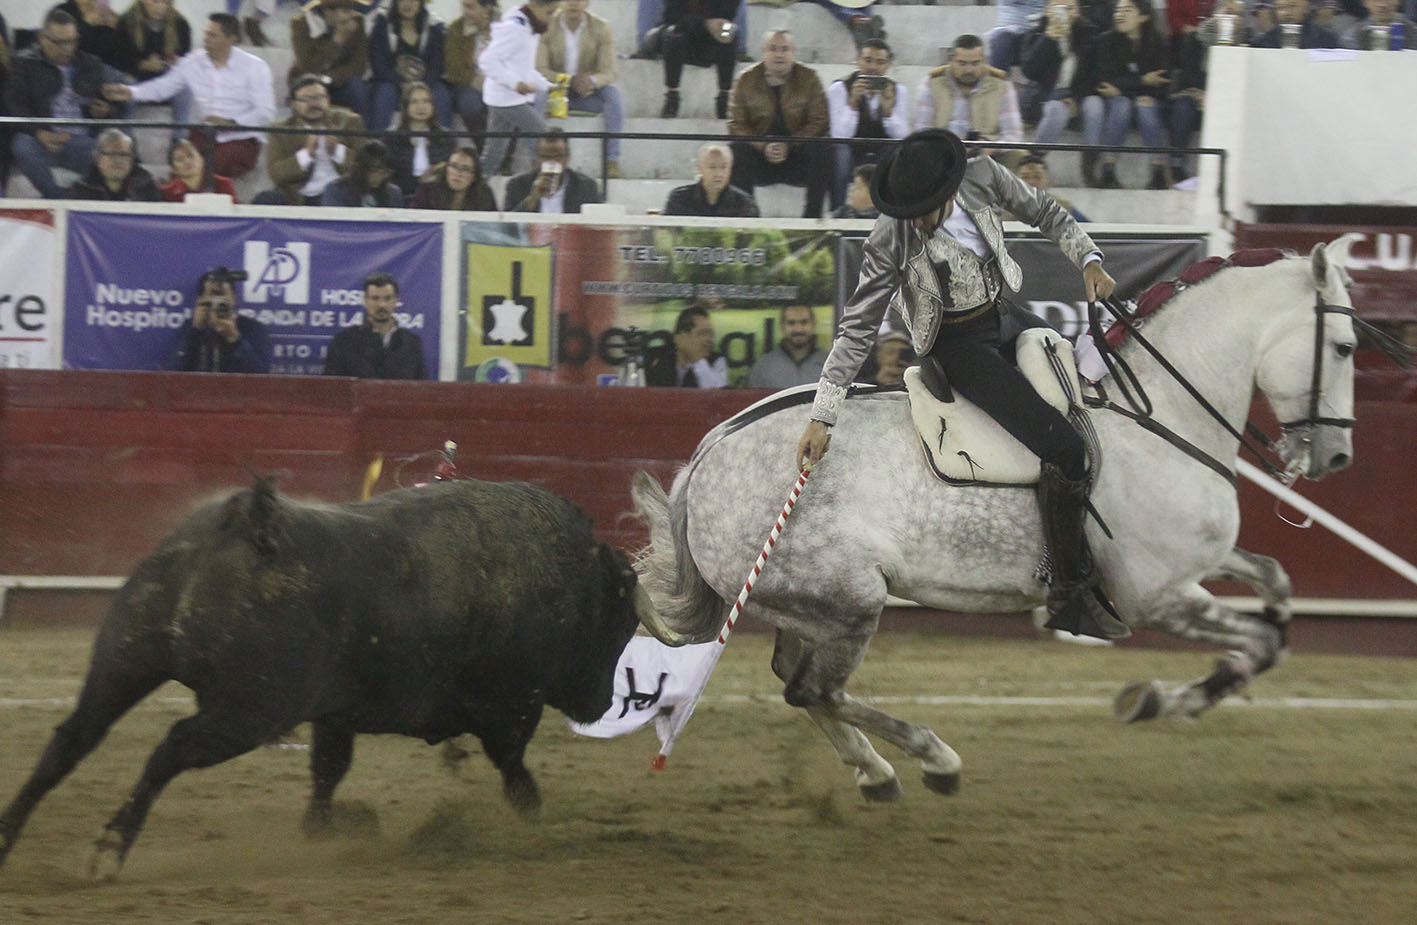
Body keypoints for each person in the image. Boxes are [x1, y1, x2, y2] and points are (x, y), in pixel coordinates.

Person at [795, 128, 1126, 641]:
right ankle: (1069, 589)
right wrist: (823, 413)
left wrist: (1088, 257)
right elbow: (857, 326)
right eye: (908, 210)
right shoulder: (890, 236)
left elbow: (1046, 211)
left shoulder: (983, 175)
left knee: (1092, 395)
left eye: (924, 207)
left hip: (1005, 315)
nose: (915, 219)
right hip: (957, 347)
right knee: (1063, 446)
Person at [102, 13, 275, 179]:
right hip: (204, 134)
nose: (206, 39)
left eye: (213, 35)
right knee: (181, 160)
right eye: (206, 34)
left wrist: (231, 123)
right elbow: (164, 86)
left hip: (241, 138)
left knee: (204, 167)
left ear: (231, 39)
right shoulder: (194, 61)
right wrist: (131, 92)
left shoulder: (255, 67)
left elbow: (265, 112)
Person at [6, 8, 115, 200]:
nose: (67, 49)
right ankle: (58, 200)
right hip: (42, 140)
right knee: (22, 145)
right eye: (60, 42)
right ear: (42, 37)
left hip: (82, 142)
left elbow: (109, 103)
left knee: (112, 152)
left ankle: (95, 199)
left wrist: (104, 110)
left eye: (72, 41)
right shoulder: (24, 63)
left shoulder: (90, 64)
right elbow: (14, 105)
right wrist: (40, 132)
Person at [726, 30, 831, 219]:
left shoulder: (809, 78)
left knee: (822, 147)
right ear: (764, 52)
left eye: (785, 49)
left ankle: (812, 219)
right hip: (759, 157)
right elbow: (735, 124)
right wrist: (763, 146)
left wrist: (789, 144)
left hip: (797, 156)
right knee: (736, 150)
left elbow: (820, 120)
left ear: (793, 52)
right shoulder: (746, 79)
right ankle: (746, 216)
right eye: (773, 49)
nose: (779, 54)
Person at [1082, 0, 1171, 190]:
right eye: (1117, 10)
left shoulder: (1158, 42)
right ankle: (1108, 169)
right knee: (1122, 103)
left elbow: (1163, 82)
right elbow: (1106, 81)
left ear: (1144, 16)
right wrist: (1143, 82)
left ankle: (1158, 172)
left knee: (1145, 106)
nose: (1119, 14)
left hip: (1151, 103)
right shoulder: (1106, 41)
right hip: (1117, 105)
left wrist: (1128, 87)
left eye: (1127, 10)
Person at [535, 0, 624, 178]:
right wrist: (568, 81)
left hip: (587, 94)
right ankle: (535, 157)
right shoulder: (546, 25)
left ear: (587, 2)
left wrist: (591, 81)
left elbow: (610, 71)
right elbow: (540, 69)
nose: (573, 3)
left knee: (613, 93)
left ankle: (612, 160)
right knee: (539, 96)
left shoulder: (601, 27)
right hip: (556, 90)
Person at [254, 73, 365, 206]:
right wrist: (306, 154)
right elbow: (277, 175)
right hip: (299, 196)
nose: (313, 104)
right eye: (306, 99)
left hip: (339, 193)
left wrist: (337, 151)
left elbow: (366, 165)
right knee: (265, 199)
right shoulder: (281, 130)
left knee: (333, 191)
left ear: (328, 99)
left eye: (318, 98)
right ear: (294, 104)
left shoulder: (349, 122)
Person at [914, 34, 1024, 168]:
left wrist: (988, 147)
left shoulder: (1001, 85)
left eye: (975, 63)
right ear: (951, 60)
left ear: (983, 61)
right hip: (943, 153)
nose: (969, 70)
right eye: (962, 63)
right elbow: (922, 130)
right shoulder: (932, 82)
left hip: (988, 155)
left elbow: (1013, 134)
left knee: (1019, 157)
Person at [479, 0, 562, 177]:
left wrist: (548, 86)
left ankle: (470, 192)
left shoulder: (529, 29)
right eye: (549, 12)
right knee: (546, 137)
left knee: (493, 155)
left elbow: (526, 69)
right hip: (505, 99)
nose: (552, 18)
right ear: (534, 5)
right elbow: (487, 61)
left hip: (505, 98)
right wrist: (515, 84)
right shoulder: (515, 29)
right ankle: (551, 181)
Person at [1021, 0, 1102, 180]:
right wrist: (1048, 39)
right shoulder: (1036, 32)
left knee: (1095, 105)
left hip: (1081, 94)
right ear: (1047, 10)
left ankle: (1090, 161)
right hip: (1047, 96)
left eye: (1070, 8)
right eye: (1059, 8)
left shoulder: (1089, 33)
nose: (1065, 12)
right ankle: (1035, 159)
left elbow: (1095, 73)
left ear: (1078, 11)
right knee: (1057, 110)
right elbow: (1029, 71)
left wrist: (1075, 97)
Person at [826, 39, 909, 212]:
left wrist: (887, 111)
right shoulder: (839, 88)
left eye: (880, 62)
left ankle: (892, 212)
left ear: (888, 65)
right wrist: (852, 104)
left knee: (898, 151)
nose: (873, 67)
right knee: (839, 150)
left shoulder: (898, 91)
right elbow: (839, 135)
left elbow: (902, 136)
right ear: (858, 60)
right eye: (868, 60)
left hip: (882, 151)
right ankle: (839, 212)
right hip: (851, 151)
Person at [323, 271, 428, 379]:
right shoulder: (343, 342)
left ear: (396, 301)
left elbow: (421, 390)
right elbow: (332, 390)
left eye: (387, 298)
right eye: (375, 298)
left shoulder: (412, 343)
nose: (381, 305)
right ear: (365, 301)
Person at [369, 0, 452, 131]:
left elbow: (437, 65)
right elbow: (379, 65)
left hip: (426, 82)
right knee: (385, 93)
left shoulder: (434, 25)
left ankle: (443, 143)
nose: (407, 4)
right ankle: (378, 146)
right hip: (391, 82)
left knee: (441, 94)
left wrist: (420, 86)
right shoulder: (382, 23)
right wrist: (401, 84)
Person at [171, 268, 270, 373]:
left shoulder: (252, 328)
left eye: (222, 295)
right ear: (200, 300)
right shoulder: (189, 328)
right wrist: (195, 332)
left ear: (233, 298)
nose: (217, 301)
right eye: (213, 294)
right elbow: (174, 373)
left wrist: (235, 339)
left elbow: (261, 375)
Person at [657, 0, 743, 121]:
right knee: (674, 36)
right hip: (682, 30)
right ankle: (672, 95)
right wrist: (704, 23)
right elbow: (671, 16)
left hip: (712, 33)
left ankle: (724, 96)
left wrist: (715, 25)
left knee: (729, 33)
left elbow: (728, 15)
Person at [290, 0, 371, 125]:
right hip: (308, 84)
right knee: (306, 93)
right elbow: (308, 67)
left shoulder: (356, 21)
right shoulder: (301, 23)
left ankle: (363, 137)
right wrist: (337, 41)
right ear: (328, 12)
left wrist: (328, 78)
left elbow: (359, 66)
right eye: (345, 11)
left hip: (340, 83)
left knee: (357, 86)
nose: (351, 15)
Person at [386, 80, 456, 202]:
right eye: (414, 102)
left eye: (426, 101)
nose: (421, 107)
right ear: (405, 106)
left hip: (437, 197)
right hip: (401, 197)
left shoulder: (446, 137)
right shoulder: (391, 137)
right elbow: (389, 175)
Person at [502, 129, 601, 212]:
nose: (552, 162)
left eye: (557, 157)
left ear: (567, 156)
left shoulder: (586, 187)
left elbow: (596, 223)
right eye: (545, 157)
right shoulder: (517, 185)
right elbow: (507, 228)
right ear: (537, 157)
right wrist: (532, 200)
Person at [661, 141, 760, 217]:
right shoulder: (679, 199)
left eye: (724, 167)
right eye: (712, 167)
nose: (719, 174)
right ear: (700, 168)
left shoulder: (744, 204)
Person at [644, 303, 728, 387]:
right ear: (682, 337)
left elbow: (716, 395)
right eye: (703, 333)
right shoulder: (661, 360)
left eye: (711, 334)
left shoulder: (717, 361)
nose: (709, 339)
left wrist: (697, 360)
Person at [444, 0, 497, 134]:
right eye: (463, 6)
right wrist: (474, 80)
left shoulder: (505, 26)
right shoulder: (456, 29)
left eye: (470, 7)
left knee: (514, 104)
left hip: (501, 83)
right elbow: (453, 68)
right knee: (469, 103)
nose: (465, 12)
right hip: (469, 84)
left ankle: (506, 152)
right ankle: (483, 149)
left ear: (487, 8)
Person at [68, 127, 162, 200]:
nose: (118, 160)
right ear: (98, 158)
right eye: (112, 154)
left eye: (124, 154)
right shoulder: (82, 189)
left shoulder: (146, 186)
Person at [746, 304, 827, 388]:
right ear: (782, 326)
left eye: (804, 322)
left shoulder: (830, 364)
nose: (798, 329)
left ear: (814, 325)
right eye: (791, 323)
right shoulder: (763, 367)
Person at [114, 0, 191, 80]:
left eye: (166, 2)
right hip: (136, 78)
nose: (160, 7)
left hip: (169, 80)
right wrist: (143, 65)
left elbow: (186, 58)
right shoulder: (127, 23)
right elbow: (119, 60)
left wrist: (175, 62)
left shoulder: (180, 24)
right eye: (155, 1)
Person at [410, 144, 498, 210]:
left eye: (465, 169)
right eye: (454, 166)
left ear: (474, 177)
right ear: (447, 169)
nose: (458, 173)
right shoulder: (427, 191)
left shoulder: (484, 194)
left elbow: (492, 230)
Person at [320, 139, 404, 207]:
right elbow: (334, 224)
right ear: (360, 168)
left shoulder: (393, 194)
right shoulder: (335, 190)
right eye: (375, 170)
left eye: (386, 172)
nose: (382, 176)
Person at [161, 136, 238, 200]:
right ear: (173, 169)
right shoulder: (168, 192)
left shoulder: (223, 184)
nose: (187, 161)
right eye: (179, 159)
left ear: (202, 159)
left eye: (190, 156)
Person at [1014, 154, 1088, 221]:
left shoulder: (1063, 208)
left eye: (1037, 177)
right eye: (1025, 177)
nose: (1031, 182)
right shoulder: (1005, 210)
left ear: (1048, 182)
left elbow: (1089, 230)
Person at [986, 0, 1049, 71]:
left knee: (1049, 42)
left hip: (1037, 34)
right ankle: (995, 81)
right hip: (1008, 33)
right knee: (1001, 42)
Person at [1250, 0, 1342, 47]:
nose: (1286, 13)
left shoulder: (1327, 39)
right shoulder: (1263, 42)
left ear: (1306, 8)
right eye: (1280, 8)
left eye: (1292, 6)